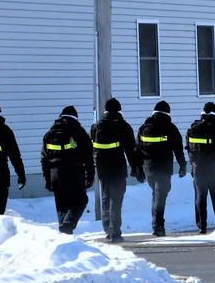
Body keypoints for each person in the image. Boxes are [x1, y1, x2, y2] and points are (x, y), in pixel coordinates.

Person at [91, 98, 144, 242]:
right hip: (117, 166)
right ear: (119, 110)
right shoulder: (123, 126)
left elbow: (93, 148)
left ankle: (107, 229)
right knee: (116, 198)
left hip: (102, 167)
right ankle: (115, 231)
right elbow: (130, 150)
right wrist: (135, 168)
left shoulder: (96, 127)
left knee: (105, 196)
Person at [41, 106, 95, 235]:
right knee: (80, 200)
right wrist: (90, 175)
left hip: (56, 173)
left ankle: (65, 233)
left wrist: (47, 179)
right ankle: (68, 224)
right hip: (74, 172)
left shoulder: (49, 134)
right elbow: (88, 157)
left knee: (62, 204)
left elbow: (44, 159)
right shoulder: (79, 132)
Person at [136, 101, 186, 237]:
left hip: (149, 168)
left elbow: (138, 149)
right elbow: (178, 148)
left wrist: (139, 169)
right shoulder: (170, 127)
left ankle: (156, 223)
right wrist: (182, 164)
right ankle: (158, 225)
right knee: (160, 196)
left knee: (156, 195)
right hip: (164, 168)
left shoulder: (143, 128)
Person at [185, 102, 215, 234]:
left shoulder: (193, 127)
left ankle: (201, 226)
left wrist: (193, 164)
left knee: (200, 195)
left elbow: (189, 148)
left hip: (198, 166)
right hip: (214, 166)